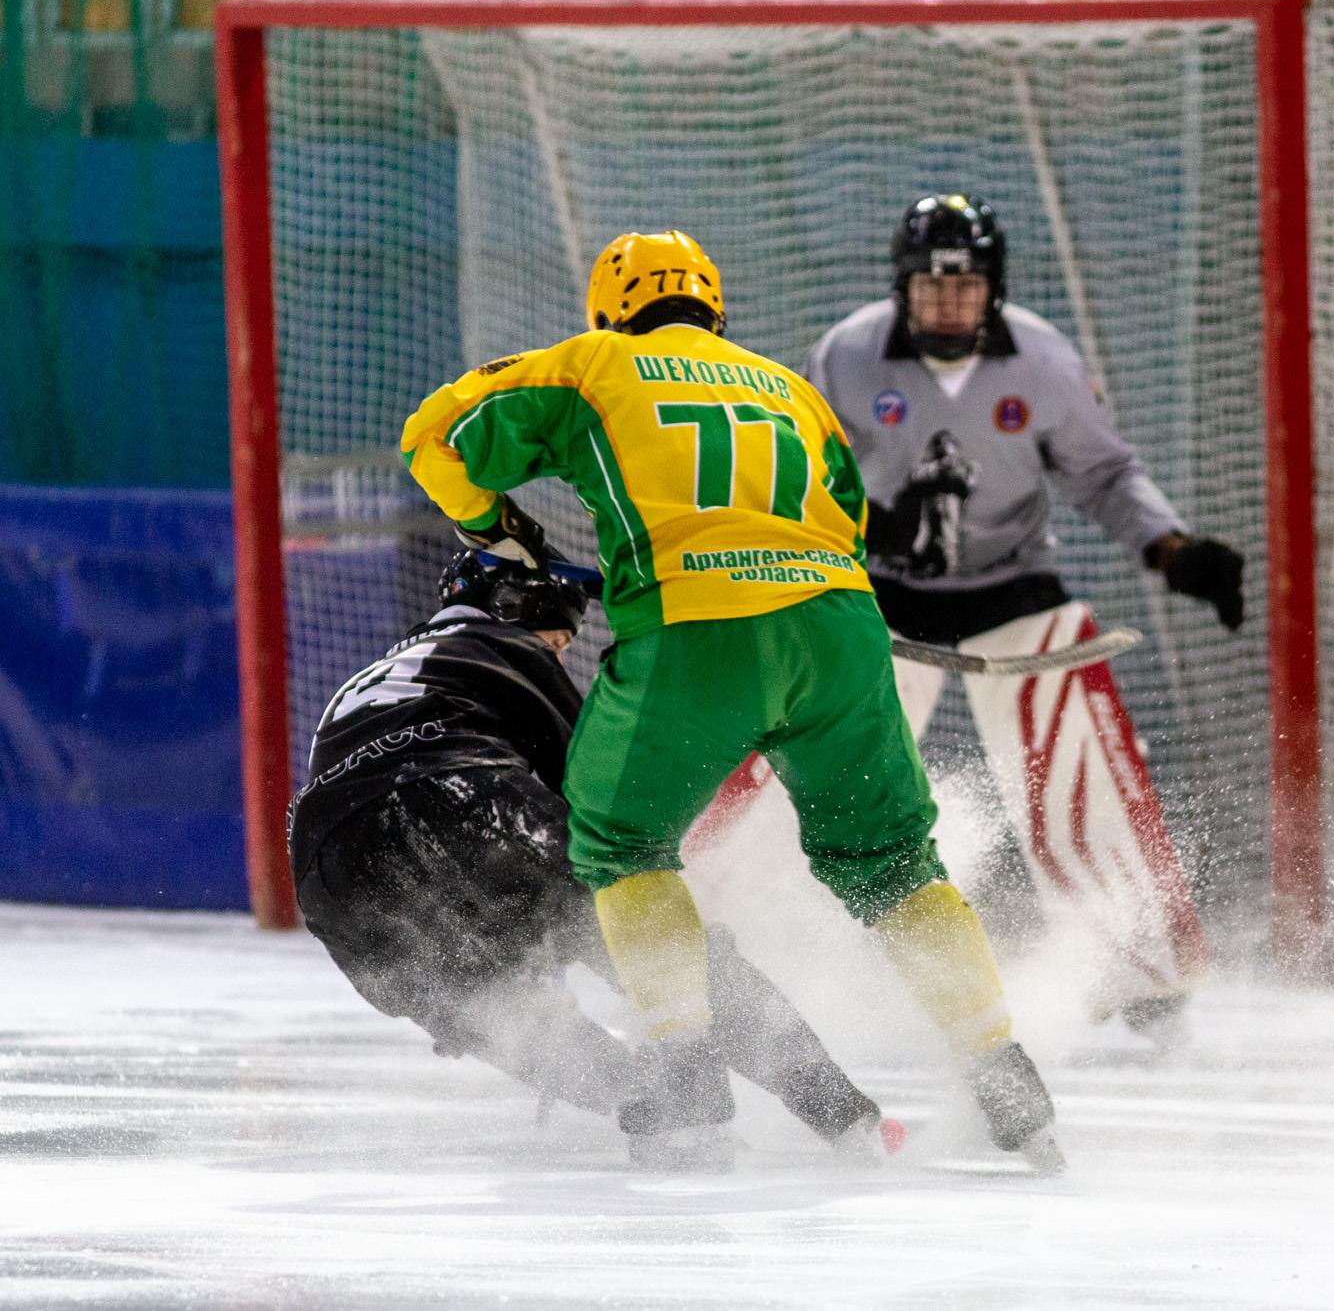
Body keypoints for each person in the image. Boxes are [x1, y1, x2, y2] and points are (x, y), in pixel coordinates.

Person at [398, 230, 1060, 1172]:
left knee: (620, 842)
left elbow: (436, 436)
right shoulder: (790, 389)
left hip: (695, 630)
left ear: (610, 309)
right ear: (715, 307)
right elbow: (842, 518)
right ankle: (1006, 1073)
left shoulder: (592, 364)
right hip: (839, 630)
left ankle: (687, 1074)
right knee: (892, 863)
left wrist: (500, 531)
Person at [800, 193, 1242, 1040]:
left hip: (1014, 591)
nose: (947, 305)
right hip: (879, 598)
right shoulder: (847, 355)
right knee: (806, 763)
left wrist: (1172, 548)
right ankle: (746, 947)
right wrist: (865, 523)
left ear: (992, 290)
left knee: (1083, 759)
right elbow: (802, 472)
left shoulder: (1041, 361)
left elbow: (1106, 475)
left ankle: (1143, 977)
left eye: (964, 289)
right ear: (902, 288)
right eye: (929, 289)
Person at [288, 550, 895, 1162]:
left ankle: (654, 1109)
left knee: (495, 1010)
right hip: (457, 799)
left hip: (329, 878)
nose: (556, 654)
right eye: (555, 641)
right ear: (515, 611)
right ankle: (837, 1114)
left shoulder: (368, 681)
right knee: (647, 933)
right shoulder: (501, 646)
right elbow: (596, 800)